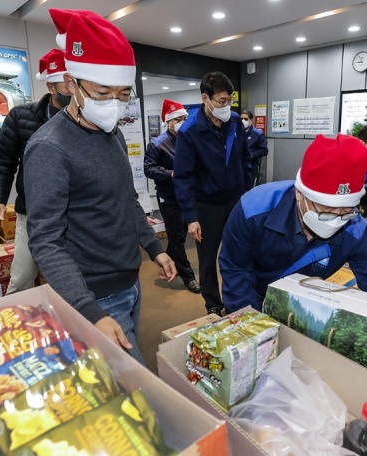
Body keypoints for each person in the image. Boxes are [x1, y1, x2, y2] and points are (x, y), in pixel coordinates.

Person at [219, 134, 367, 452]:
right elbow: (236, 278)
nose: (334, 221)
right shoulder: (254, 209)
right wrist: (259, 349)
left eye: (345, 211)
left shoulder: (353, 229)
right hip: (251, 294)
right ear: (299, 194)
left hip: (298, 302)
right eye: (325, 210)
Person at [23, 10, 176, 364]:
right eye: (102, 92)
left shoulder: (113, 134)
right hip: (92, 293)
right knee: (131, 390)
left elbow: (126, 199)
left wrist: (154, 247)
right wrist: (89, 310)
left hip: (129, 279)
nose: (113, 104)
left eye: (122, 94)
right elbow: (46, 241)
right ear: (72, 84)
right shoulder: (49, 148)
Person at [0, 48, 71, 294]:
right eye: (64, 85)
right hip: (31, 213)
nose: (71, 90)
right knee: (22, 278)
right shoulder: (21, 117)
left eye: (74, 83)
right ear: (50, 87)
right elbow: (3, 160)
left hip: (74, 213)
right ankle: (16, 327)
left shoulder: (86, 120)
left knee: (71, 279)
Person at [173, 71, 253, 316]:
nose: (226, 106)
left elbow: (245, 159)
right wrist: (191, 217)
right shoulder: (190, 131)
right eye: (221, 101)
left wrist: (247, 195)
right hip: (206, 206)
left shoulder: (236, 123)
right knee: (207, 260)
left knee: (240, 253)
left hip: (235, 201)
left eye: (230, 100)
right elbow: (183, 177)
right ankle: (213, 306)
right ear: (205, 99)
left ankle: (238, 299)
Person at [144, 99, 200, 294]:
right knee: (177, 238)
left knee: (182, 235)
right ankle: (188, 277)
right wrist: (171, 173)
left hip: (190, 196)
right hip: (169, 197)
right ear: (168, 122)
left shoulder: (189, 139)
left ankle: (167, 260)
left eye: (185, 118)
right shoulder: (157, 144)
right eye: (178, 119)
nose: (182, 122)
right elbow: (149, 169)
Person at [240, 110, 268, 186]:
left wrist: (251, 155)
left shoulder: (257, 134)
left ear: (251, 120)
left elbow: (264, 150)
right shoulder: (238, 132)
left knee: (248, 189)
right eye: (241, 119)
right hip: (238, 166)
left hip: (251, 167)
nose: (243, 121)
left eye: (246, 119)